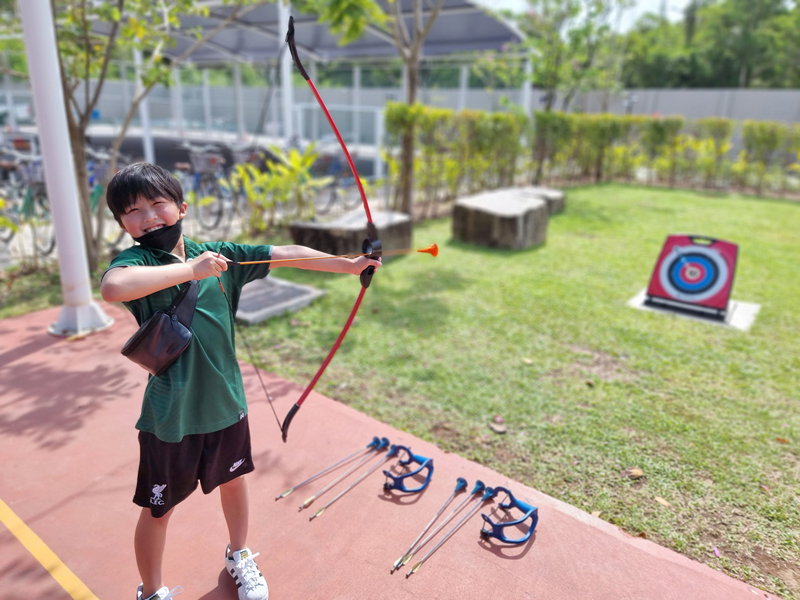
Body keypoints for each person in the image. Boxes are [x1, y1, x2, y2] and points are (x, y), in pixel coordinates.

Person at [100, 162, 381, 600]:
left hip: (225, 402)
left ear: (182, 207)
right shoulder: (138, 262)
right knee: (158, 510)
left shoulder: (220, 254)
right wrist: (191, 271)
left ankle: (239, 554)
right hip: (171, 414)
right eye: (133, 211)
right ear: (122, 224)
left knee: (234, 482)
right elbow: (114, 287)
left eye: (158, 204)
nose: (149, 217)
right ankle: (151, 592)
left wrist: (349, 266)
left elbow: (283, 252)